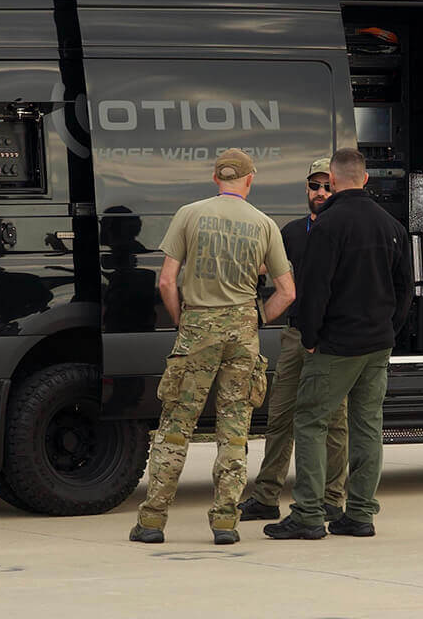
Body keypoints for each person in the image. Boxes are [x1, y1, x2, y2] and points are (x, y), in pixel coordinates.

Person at [129, 148, 295, 546]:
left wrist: (181, 319)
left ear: (216, 178)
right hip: (242, 332)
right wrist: (256, 319)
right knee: (234, 429)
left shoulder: (189, 214)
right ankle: (225, 522)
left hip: (197, 327)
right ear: (249, 180)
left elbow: (167, 281)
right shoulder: (264, 224)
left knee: (176, 428)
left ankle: (152, 520)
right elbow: (287, 291)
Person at [264, 148, 413, 540]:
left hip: (337, 345)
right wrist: (389, 329)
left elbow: (314, 290)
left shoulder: (328, 226)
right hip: (378, 344)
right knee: (367, 426)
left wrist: (311, 338)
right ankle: (360, 513)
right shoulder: (391, 226)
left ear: (333, 179)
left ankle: (309, 515)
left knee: (310, 421)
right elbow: (405, 290)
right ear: (365, 179)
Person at [239, 157, 348, 522]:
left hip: (333, 340)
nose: (320, 193)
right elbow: (260, 269)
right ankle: (267, 494)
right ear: (306, 188)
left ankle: (333, 498)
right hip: (296, 335)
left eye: (327, 186)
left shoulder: (343, 228)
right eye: (314, 186)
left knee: (334, 420)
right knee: (280, 415)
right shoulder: (288, 232)